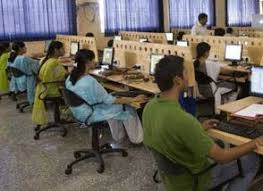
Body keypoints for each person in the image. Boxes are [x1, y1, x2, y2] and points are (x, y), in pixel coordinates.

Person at [143, 55, 262, 191]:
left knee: (221, 145)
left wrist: (199, 128)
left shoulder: (150, 107)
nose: (189, 76)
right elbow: (223, 157)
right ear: (177, 80)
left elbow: (172, 133)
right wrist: (255, 142)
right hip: (196, 179)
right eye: (186, 72)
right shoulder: (183, 120)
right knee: (252, 160)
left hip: (172, 180)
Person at [65, 49, 146, 144]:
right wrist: (134, 99)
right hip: (90, 113)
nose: (95, 62)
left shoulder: (70, 78)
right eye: (93, 60)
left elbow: (98, 97)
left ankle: (119, 137)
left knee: (115, 102)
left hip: (78, 110)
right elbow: (109, 101)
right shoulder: (90, 81)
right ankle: (137, 140)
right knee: (128, 108)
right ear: (88, 62)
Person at [194, 42, 239, 112]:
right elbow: (225, 72)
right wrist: (235, 70)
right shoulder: (208, 64)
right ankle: (227, 109)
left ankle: (223, 107)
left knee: (224, 84)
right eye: (209, 51)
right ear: (206, 53)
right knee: (236, 87)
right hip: (211, 90)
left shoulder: (195, 63)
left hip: (200, 90)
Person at [32, 41, 67, 126]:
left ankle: (59, 117)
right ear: (56, 50)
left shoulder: (44, 59)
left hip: (43, 88)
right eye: (63, 48)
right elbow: (63, 76)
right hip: (52, 90)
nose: (64, 51)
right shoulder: (55, 62)